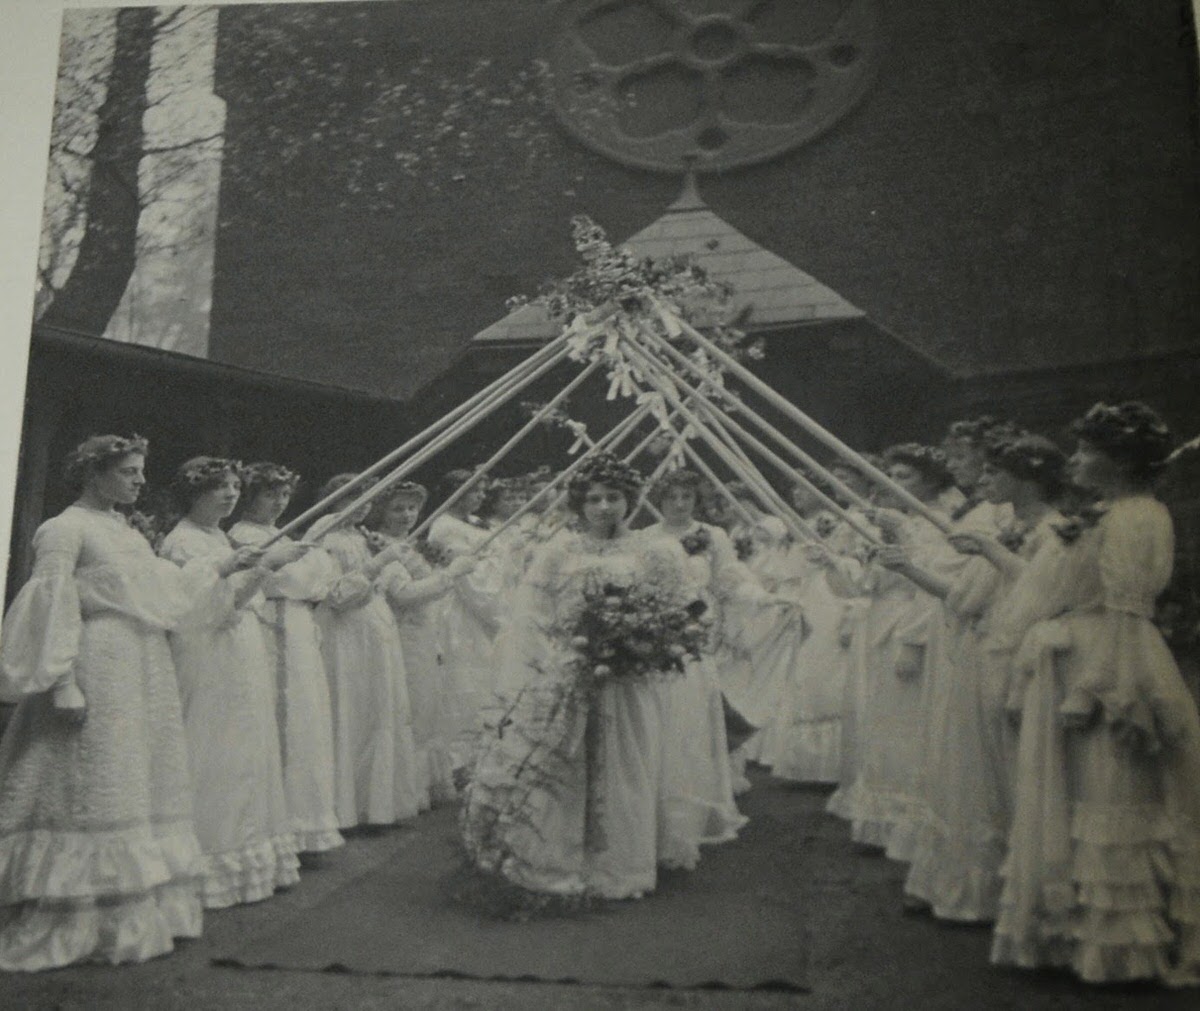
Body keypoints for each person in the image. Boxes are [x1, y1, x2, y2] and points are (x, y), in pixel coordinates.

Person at [0, 436, 260, 970]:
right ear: (93, 473)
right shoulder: (63, 529)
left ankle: (130, 917)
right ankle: (69, 919)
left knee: (138, 779)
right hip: (96, 658)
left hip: (143, 662)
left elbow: (165, 592)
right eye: (128, 472)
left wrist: (226, 566)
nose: (141, 482)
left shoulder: (126, 531)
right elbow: (51, 604)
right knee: (91, 781)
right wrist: (63, 682)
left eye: (141, 472)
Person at [990, 403, 1200, 986]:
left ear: (1117, 459)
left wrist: (1096, 689)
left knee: (1113, 788)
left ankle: (1121, 947)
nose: (1076, 460)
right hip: (1075, 652)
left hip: (1109, 665)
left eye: (1086, 451)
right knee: (1074, 792)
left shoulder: (1137, 516)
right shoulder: (1104, 512)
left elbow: (1127, 610)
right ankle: (1072, 931)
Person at [462, 453, 693, 900]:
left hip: (628, 677)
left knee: (625, 764)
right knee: (564, 767)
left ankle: (617, 864)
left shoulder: (655, 550)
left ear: (630, 501)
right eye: (594, 499)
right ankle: (560, 859)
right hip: (569, 670)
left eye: (613, 498)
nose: (604, 507)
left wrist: (644, 643)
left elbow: (680, 607)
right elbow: (532, 611)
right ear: (579, 504)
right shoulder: (558, 550)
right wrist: (553, 657)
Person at [159, 457, 306, 908]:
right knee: (212, 742)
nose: (229, 495)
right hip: (205, 650)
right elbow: (198, 609)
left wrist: (261, 570)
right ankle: (204, 855)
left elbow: (238, 603)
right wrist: (264, 567)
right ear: (194, 493)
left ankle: (245, 853)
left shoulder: (218, 536)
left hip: (237, 644)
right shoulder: (180, 541)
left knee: (243, 743)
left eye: (234, 488)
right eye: (219, 488)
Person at [228, 462, 344, 859]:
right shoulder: (242, 534)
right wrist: (304, 573)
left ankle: (306, 823)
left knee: (307, 717)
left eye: (283, 494)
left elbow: (323, 581)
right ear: (250, 496)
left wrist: (308, 575)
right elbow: (286, 581)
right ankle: (285, 826)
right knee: (287, 716)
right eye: (269, 494)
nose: (278, 502)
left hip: (298, 623)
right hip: (272, 620)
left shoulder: (283, 535)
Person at [311, 474, 426, 827]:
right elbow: (337, 596)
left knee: (379, 710)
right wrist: (377, 564)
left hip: (377, 629)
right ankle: (348, 806)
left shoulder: (360, 536)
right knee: (353, 710)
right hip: (348, 633)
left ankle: (376, 804)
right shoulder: (328, 536)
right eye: (356, 499)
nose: (363, 507)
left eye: (367, 500)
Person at [366, 481, 477, 807]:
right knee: (411, 709)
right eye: (397, 508)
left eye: (412, 508)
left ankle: (426, 786)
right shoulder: (382, 546)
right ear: (382, 511)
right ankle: (405, 793)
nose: (406, 515)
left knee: (429, 709)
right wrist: (450, 575)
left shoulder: (411, 544)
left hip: (427, 634)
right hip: (403, 635)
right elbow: (403, 595)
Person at [428, 468, 503, 766]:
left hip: (487, 606)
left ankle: (485, 751)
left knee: (486, 677)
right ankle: (458, 759)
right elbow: (464, 573)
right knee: (462, 678)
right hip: (462, 608)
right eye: (474, 491)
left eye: (482, 491)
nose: (481, 497)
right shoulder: (444, 527)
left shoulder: (476, 524)